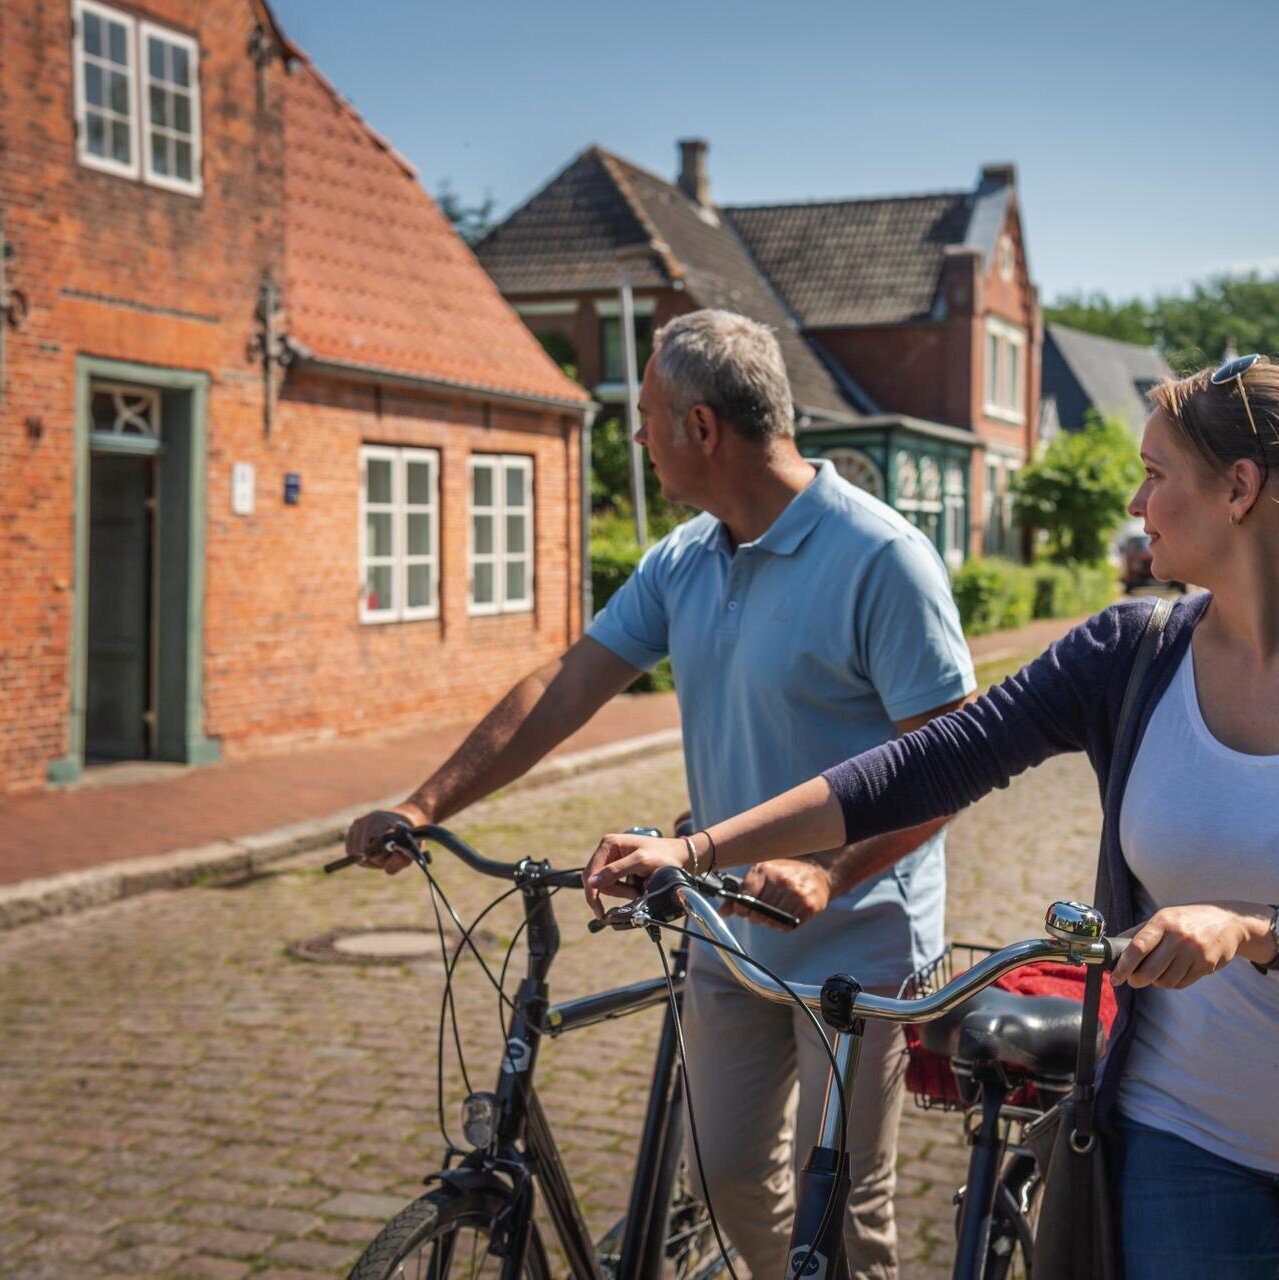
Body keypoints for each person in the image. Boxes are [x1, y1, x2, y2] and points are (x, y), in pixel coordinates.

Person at [584, 354, 1279, 1280]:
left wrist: (1251, 932)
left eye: (1154, 476)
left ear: (1238, 488)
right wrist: (699, 843)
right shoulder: (1132, 653)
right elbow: (931, 760)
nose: (1132, 504)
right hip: (1189, 1138)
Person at [345, 308, 977, 1280]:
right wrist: (426, 804)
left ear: (701, 427)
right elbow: (564, 689)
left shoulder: (879, 557)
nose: (635, 437)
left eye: (644, 415)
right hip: (726, 929)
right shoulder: (684, 557)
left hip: (860, 942)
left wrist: (827, 868)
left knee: (841, 1211)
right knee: (726, 1181)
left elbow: (948, 761)